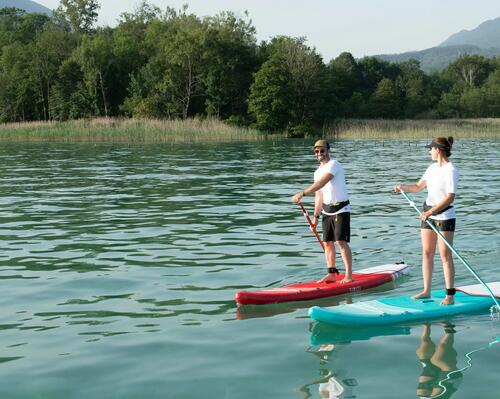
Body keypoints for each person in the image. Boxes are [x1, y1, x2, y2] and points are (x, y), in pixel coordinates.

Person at [394, 136, 458, 305]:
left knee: (445, 255)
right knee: (427, 253)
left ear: (439, 149)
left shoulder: (451, 169)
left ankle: (449, 295)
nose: (429, 151)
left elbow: (450, 197)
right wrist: (402, 187)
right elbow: (418, 187)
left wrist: (430, 212)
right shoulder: (431, 168)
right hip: (428, 214)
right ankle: (426, 291)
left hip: (444, 216)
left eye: (431, 148)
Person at [292, 139, 353, 284]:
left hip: (341, 209)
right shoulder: (317, 172)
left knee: (340, 241)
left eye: (322, 151)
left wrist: (302, 193)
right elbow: (319, 194)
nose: (319, 153)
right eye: (316, 151)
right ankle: (331, 273)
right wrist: (316, 217)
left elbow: (322, 182)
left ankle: (348, 275)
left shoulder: (334, 164)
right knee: (327, 243)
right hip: (327, 210)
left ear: (328, 151)